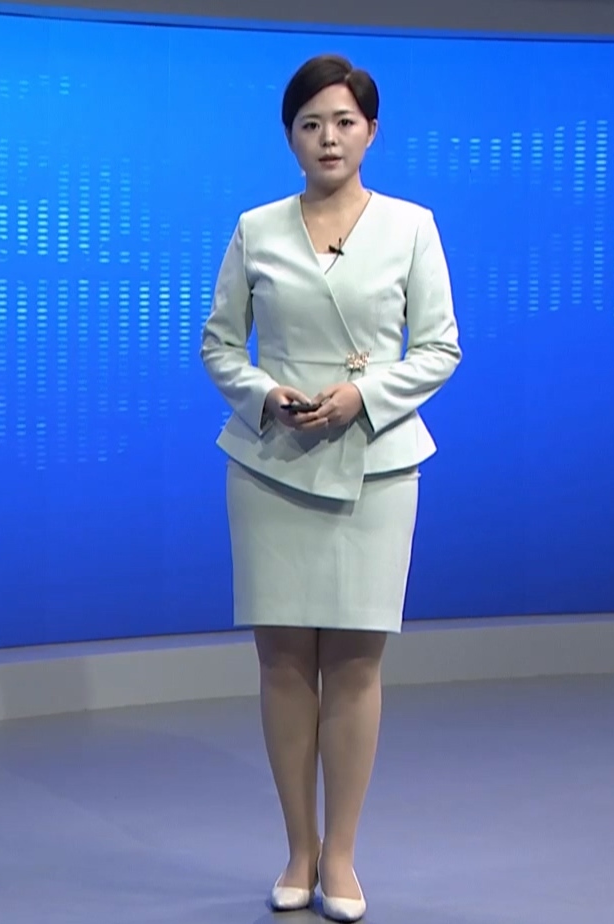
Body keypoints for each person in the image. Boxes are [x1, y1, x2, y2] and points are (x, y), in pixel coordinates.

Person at [198, 54, 462, 921]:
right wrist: (264, 394)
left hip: (375, 465)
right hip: (272, 462)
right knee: (282, 661)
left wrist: (363, 396)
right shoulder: (255, 228)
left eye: (344, 122)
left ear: (370, 132)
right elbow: (218, 345)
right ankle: (297, 850)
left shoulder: (411, 227)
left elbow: (439, 347)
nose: (327, 138)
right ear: (290, 136)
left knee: (352, 663)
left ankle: (341, 855)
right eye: (310, 123)